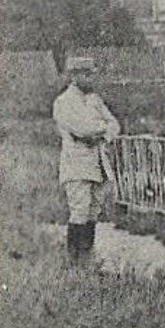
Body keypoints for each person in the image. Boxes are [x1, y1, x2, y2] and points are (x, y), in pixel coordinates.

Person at [52, 56, 120, 260]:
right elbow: (82, 129)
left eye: (91, 74)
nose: (90, 79)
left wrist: (103, 133)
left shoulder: (94, 100)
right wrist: (100, 128)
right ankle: (74, 259)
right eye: (85, 74)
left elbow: (114, 124)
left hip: (97, 161)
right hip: (77, 163)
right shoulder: (64, 102)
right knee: (79, 209)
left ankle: (87, 255)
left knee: (93, 210)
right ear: (74, 76)